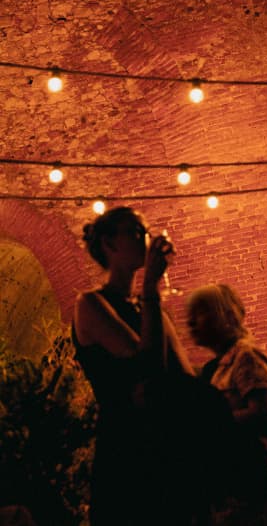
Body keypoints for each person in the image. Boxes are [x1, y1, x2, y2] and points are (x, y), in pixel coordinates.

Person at [72, 206, 195, 526]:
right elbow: (147, 365)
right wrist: (151, 290)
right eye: (135, 232)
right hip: (126, 452)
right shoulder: (91, 305)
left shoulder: (147, 308)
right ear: (110, 245)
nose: (146, 239)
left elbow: (181, 377)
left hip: (167, 448)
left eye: (146, 232)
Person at [187, 284, 267, 526]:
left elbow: (263, 415)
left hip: (250, 491)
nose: (190, 322)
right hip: (228, 492)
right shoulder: (215, 368)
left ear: (224, 314)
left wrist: (211, 423)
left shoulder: (246, 357)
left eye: (200, 311)